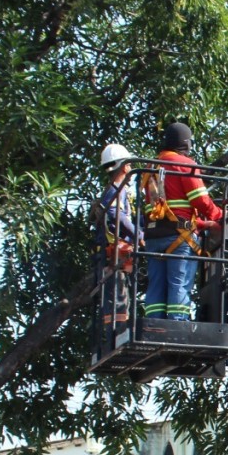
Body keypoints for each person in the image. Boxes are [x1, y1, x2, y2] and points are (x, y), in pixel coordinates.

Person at [142, 122, 222, 320]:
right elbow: (200, 200)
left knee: (156, 285)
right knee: (179, 283)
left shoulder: (151, 167)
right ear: (186, 143)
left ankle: (154, 325)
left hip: (153, 236)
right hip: (178, 238)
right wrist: (218, 216)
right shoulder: (184, 164)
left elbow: (163, 210)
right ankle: (177, 326)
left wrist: (203, 224)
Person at [95, 142, 142, 336]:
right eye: (129, 165)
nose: (131, 169)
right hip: (112, 256)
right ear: (124, 166)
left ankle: (116, 333)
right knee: (117, 298)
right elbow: (116, 214)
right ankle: (116, 335)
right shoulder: (115, 191)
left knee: (118, 298)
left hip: (113, 255)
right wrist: (138, 235)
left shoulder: (115, 190)